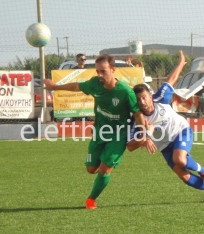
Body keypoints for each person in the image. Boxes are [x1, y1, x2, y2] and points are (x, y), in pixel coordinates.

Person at [43, 54, 156, 209]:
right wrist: (55, 87)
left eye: (103, 71)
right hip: (100, 133)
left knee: (103, 170)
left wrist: (145, 136)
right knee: (90, 169)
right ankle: (106, 166)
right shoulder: (95, 84)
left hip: (118, 136)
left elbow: (138, 115)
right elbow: (77, 86)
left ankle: (91, 200)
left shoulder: (125, 92)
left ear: (113, 70)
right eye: (97, 72)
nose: (100, 75)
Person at [127, 50, 204, 203]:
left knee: (180, 160)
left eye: (144, 98)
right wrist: (146, 136)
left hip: (181, 132)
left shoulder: (160, 98)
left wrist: (180, 64)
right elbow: (130, 146)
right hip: (165, 146)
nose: (142, 102)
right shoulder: (136, 118)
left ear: (150, 97)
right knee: (183, 175)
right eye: (138, 100)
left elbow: (171, 80)